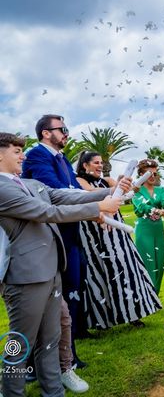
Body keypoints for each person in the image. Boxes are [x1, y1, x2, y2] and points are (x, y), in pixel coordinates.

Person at [0, 132, 129, 397]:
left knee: (50, 340)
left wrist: (112, 191)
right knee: (20, 344)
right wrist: (98, 209)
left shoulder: (30, 183)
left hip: (52, 269)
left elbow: (63, 196)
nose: (23, 156)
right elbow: (47, 213)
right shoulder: (2, 189)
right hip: (25, 277)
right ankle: (10, 391)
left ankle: (53, 391)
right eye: (16, 151)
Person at [21, 114, 89, 384]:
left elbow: (72, 186)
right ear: (45, 133)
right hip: (48, 240)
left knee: (71, 294)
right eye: (62, 129)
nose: (67, 134)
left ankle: (67, 356)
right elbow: (55, 190)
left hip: (70, 234)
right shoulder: (37, 155)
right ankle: (32, 364)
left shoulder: (61, 159)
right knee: (44, 305)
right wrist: (96, 202)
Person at [75, 151, 162, 329]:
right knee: (100, 272)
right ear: (85, 165)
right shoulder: (79, 180)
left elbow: (125, 191)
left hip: (116, 230)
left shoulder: (107, 180)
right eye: (96, 163)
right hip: (94, 230)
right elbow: (90, 193)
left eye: (101, 162)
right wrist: (117, 189)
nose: (100, 165)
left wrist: (130, 185)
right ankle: (102, 319)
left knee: (126, 269)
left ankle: (133, 313)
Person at [132, 159, 164, 293]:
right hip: (144, 230)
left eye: (154, 174)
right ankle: (146, 294)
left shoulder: (161, 189)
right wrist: (157, 211)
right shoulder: (136, 189)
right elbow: (141, 207)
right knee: (147, 262)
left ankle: (155, 294)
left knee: (159, 262)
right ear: (141, 174)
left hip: (158, 229)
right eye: (148, 173)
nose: (152, 176)